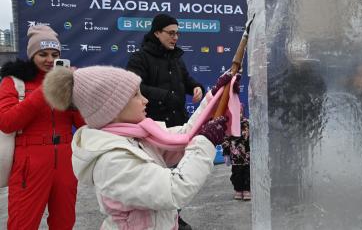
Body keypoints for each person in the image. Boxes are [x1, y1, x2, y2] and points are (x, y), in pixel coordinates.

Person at [42, 65, 239, 230]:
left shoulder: (135, 136)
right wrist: (205, 142)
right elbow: (173, 190)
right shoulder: (112, 159)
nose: (145, 100)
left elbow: (184, 136)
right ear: (113, 108)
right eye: (136, 95)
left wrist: (213, 98)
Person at [0, 25, 85, 230]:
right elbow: (7, 122)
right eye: (43, 54)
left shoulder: (68, 82)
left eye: (54, 54)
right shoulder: (14, 82)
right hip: (30, 162)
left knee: (64, 222)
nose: (49, 59)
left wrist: (77, 97)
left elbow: (83, 124)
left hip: (66, 159)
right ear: (32, 55)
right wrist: (45, 91)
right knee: (23, 222)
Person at [126, 13, 204, 128]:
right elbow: (134, 87)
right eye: (171, 33)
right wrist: (164, 96)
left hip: (179, 125)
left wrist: (196, 87)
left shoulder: (176, 58)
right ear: (157, 33)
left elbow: (186, 80)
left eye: (177, 33)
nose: (176, 37)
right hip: (153, 127)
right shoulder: (140, 57)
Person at [222, 105, 251, 201]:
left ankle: (247, 190)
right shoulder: (229, 125)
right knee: (236, 174)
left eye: (240, 112)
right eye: (235, 113)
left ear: (242, 112)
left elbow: (253, 137)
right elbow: (226, 141)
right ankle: (238, 190)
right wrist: (226, 154)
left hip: (247, 156)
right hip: (235, 157)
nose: (238, 115)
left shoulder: (247, 123)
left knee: (247, 173)